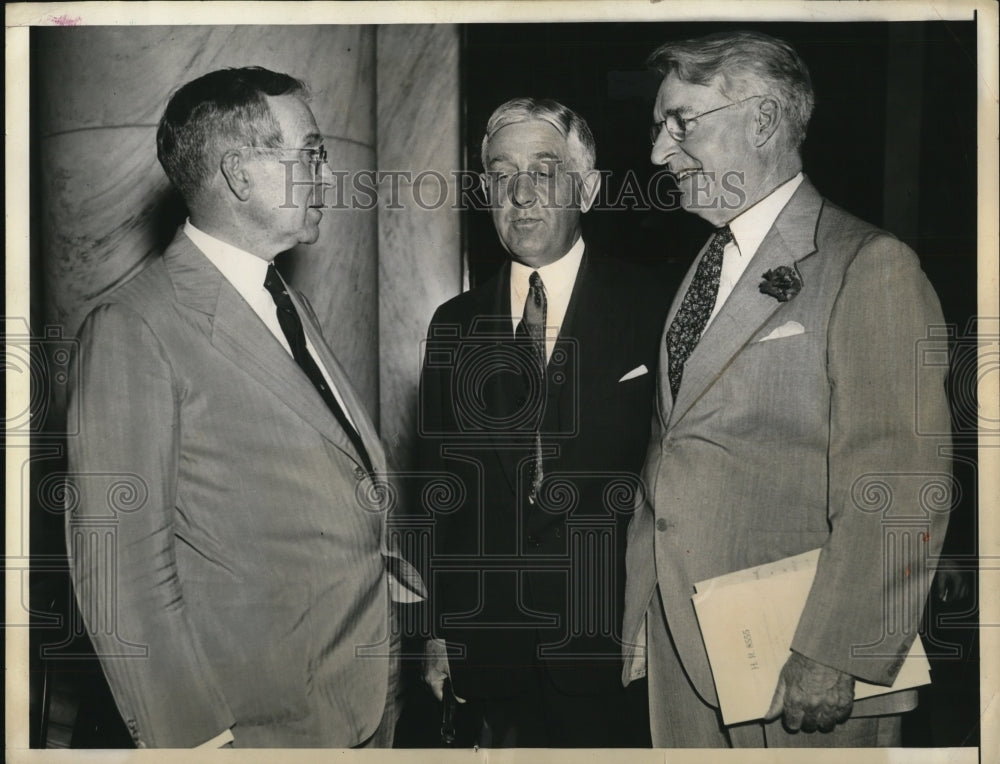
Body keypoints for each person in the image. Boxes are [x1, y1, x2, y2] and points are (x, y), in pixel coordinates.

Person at [64, 66, 423, 749]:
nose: (326, 172)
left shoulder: (284, 303)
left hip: (357, 702)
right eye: (310, 153)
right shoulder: (133, 328)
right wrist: (193, 741)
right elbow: (122, 573)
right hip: (257, 728)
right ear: (239, 175)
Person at [622, 31, 952, 748]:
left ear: (763, 120)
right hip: (688, 652)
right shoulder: (706, 264)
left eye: (680, 124)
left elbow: (901, 480)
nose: (657, 154)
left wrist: (837, 651)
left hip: (797, 667)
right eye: (656, 129)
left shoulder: (870, 266)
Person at [415, 98, 666, 748]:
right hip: (489, 655)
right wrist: (439, 631)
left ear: (588, 187)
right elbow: (440, 490)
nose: (520, 194)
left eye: (544, 172)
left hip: (617, 649)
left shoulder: (654, 309)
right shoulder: (454, 323)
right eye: (501, 175)